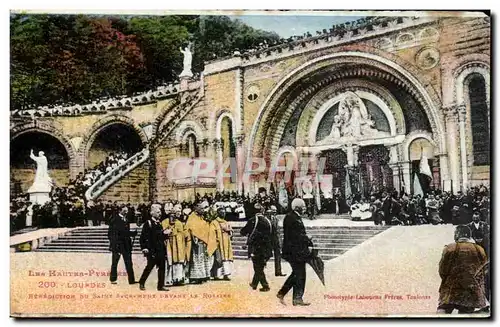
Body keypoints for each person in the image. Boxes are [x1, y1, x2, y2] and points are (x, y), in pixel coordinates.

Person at [437, 225, 488, 314]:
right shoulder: (480, 249)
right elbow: (483, 271)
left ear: (457, 235)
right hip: (471, 291)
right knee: (465, 315)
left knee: (443, 309)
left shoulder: (450, 248)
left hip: (451, 288)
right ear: (469, 236)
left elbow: (442, 270)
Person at [277, 198, 313, 306]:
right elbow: (296, 235)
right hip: (293, 252)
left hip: (296, 251)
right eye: (303, 207)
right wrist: (308, 238)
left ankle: (289, 296)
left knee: (297, 273)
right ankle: (295, 297)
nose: (305, 209)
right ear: (298, 208)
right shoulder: (291, 217)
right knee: (300, 273)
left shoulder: (294, 217)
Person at [240, 203, 273, 292]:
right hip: (266, 248)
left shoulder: (252, 220)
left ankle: (265, 286)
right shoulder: (267, 221)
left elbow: (243, 232)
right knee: (260, 266)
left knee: (257, 267)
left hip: (256, 248)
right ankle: (254, 284)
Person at [138, 204, 169, 291]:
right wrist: (144, 247)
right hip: (152, 250)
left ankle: (160, 286)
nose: (160, 214)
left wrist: (166, 235)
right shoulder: (148, 223)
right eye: (158, 212)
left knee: (162, 267)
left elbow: (160, 237)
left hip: (161, 249)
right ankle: (142, 282)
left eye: (160, 212)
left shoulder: (159, 223)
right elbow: (143, 237)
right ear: (153, 213)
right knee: (149, 267)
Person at [107, 205, 137, 285]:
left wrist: (132, 233)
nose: (126, 212)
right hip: (118, 245)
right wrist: (114, 245)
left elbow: (125, 233)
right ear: (120, 211)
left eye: (126, 211)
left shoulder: (126, 219)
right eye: (125, 211)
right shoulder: (115, 219)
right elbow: (111, 234)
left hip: (126, 245)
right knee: (115, 262)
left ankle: (131, 280)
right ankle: (113, 279)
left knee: (129, 262)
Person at [267, 205, 286, 277]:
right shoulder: (267, 219)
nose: (274, 213)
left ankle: (278, 271)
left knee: (278, 256)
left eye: (275, 211)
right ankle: (260, 273)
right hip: (269, 239)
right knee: (265, 256)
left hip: (276, 240)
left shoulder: (276, 219)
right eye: (273, 211)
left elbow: (278, 231)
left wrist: (280, 240)